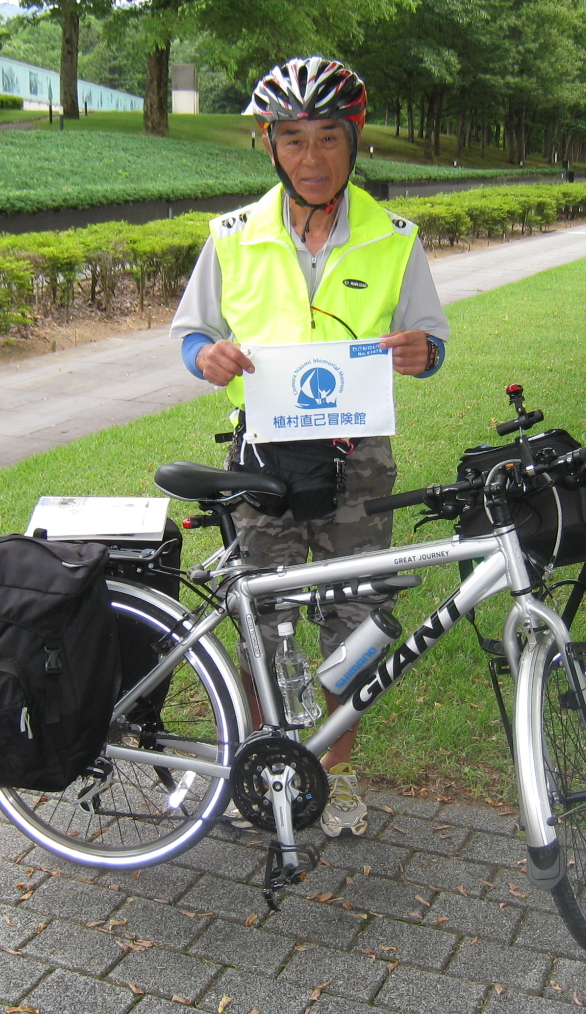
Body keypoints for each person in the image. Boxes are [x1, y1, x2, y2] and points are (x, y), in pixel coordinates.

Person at [169, 57, 450, 837]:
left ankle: (341, 771)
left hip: (359, 461)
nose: (313, 158)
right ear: (269, 144)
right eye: (293, 140)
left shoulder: (396, 240)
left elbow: (433, 338)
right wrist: (207, 358)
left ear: (354, 141)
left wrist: (423, 353)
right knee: (266, 615)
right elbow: (191, 332)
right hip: (262, 459)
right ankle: (267, 764)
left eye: (329, 137)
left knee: (356, 620)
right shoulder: (230, 237)